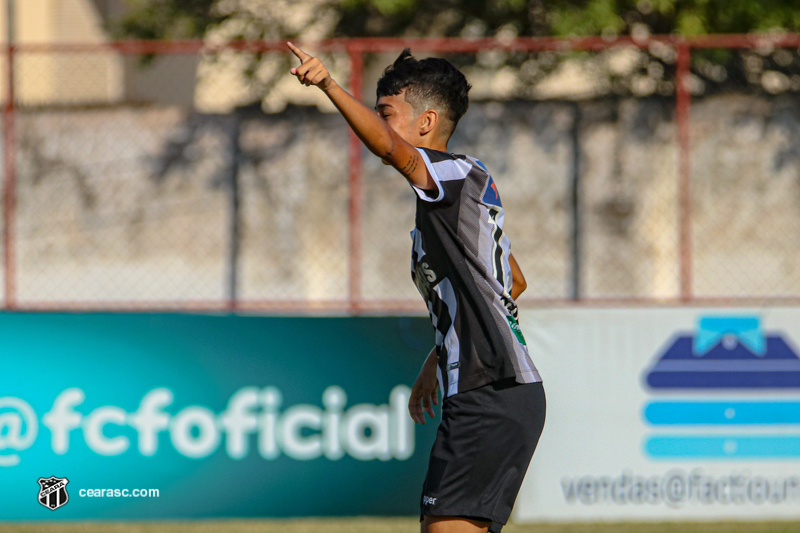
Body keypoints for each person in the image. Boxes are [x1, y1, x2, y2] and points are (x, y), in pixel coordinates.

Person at [287, 42, 546, 533]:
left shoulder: (451, 173)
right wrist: (438, 357)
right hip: (492, 390)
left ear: (425, 122)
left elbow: (390, 150)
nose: (381, 125)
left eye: (387, 113)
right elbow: (512, 279)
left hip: (490, 392)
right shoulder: (458, 194)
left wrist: (328, 85)